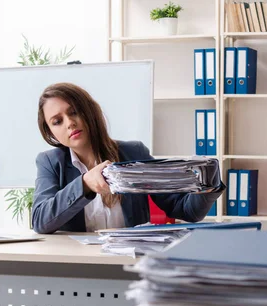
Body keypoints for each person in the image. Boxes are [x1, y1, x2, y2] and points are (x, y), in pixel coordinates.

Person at [31, 82, 225, 234]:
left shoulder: (133, 153)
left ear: (89, 111)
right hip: (78, 265)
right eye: (57, 121)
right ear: (50, 132)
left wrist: (207, 185)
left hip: (128, 259)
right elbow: (41, 221)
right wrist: (84, 184)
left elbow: (186, 211)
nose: (70, 123)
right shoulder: (50, 162)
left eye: (74, 112)